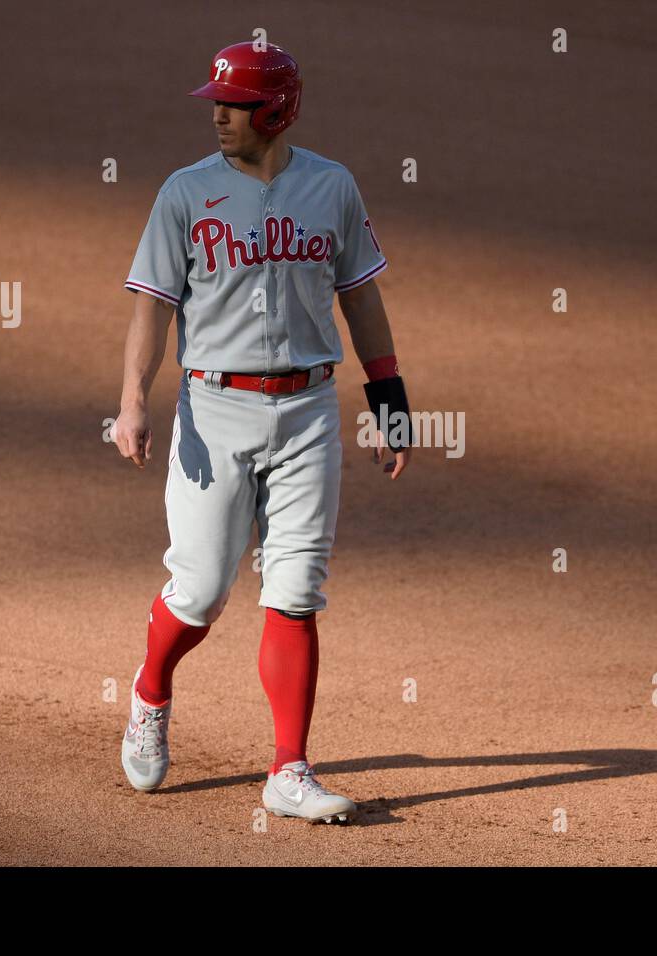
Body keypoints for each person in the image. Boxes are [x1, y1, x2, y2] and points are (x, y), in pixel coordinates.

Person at [113, 40, 412, 824]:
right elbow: (152, 304)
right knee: (202, 590)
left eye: (234, 102)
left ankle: (289, 770)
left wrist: (389, 397)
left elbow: (362, 297)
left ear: (275, 109)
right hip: (214, 411)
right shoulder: (184, 193)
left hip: (310, 410)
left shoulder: (331, 188)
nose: (218, 113)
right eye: (216, 100)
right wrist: (134, 402)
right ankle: (150, 692)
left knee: (295, 588)